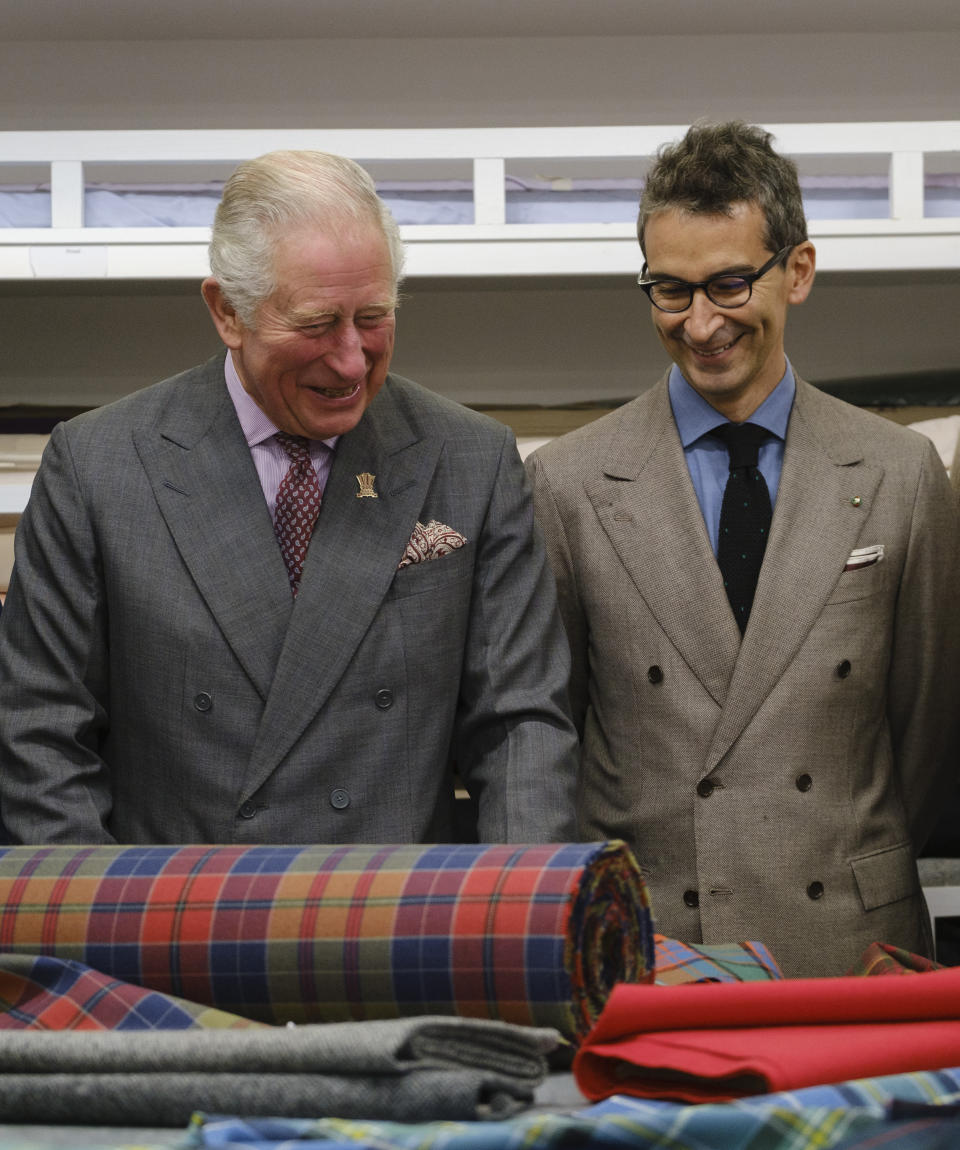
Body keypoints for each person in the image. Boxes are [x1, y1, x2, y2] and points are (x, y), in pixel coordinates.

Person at [0, 149, 579, 846]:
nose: (350, 360)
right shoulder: (97, 468)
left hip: (390, 924)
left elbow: (521, 729)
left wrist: (514, 920)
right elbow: (42, 736)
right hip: (172, 931)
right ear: (227, 312)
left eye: (373, 316)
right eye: (315, 324)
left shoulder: (471, 462)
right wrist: (99, 934)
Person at [527, 121, 960, 978]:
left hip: (853, 949)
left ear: (796, 271)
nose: (700, 324)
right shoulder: (569, 484)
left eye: (728, 285)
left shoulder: (901, 472)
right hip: (655, 951)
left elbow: (930, 740)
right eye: (669, 290)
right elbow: (554, 739)